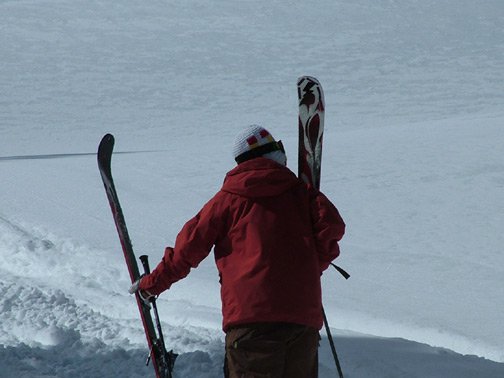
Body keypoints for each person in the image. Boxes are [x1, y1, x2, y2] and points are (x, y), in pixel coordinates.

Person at [129, 124, 345, 378]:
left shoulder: (227, 201)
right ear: (277, 154)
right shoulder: (303, 194)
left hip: (250, 323)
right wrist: (308, 268)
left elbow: (187, 250)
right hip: (302, 323)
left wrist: (151, 285)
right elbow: (331, 228)